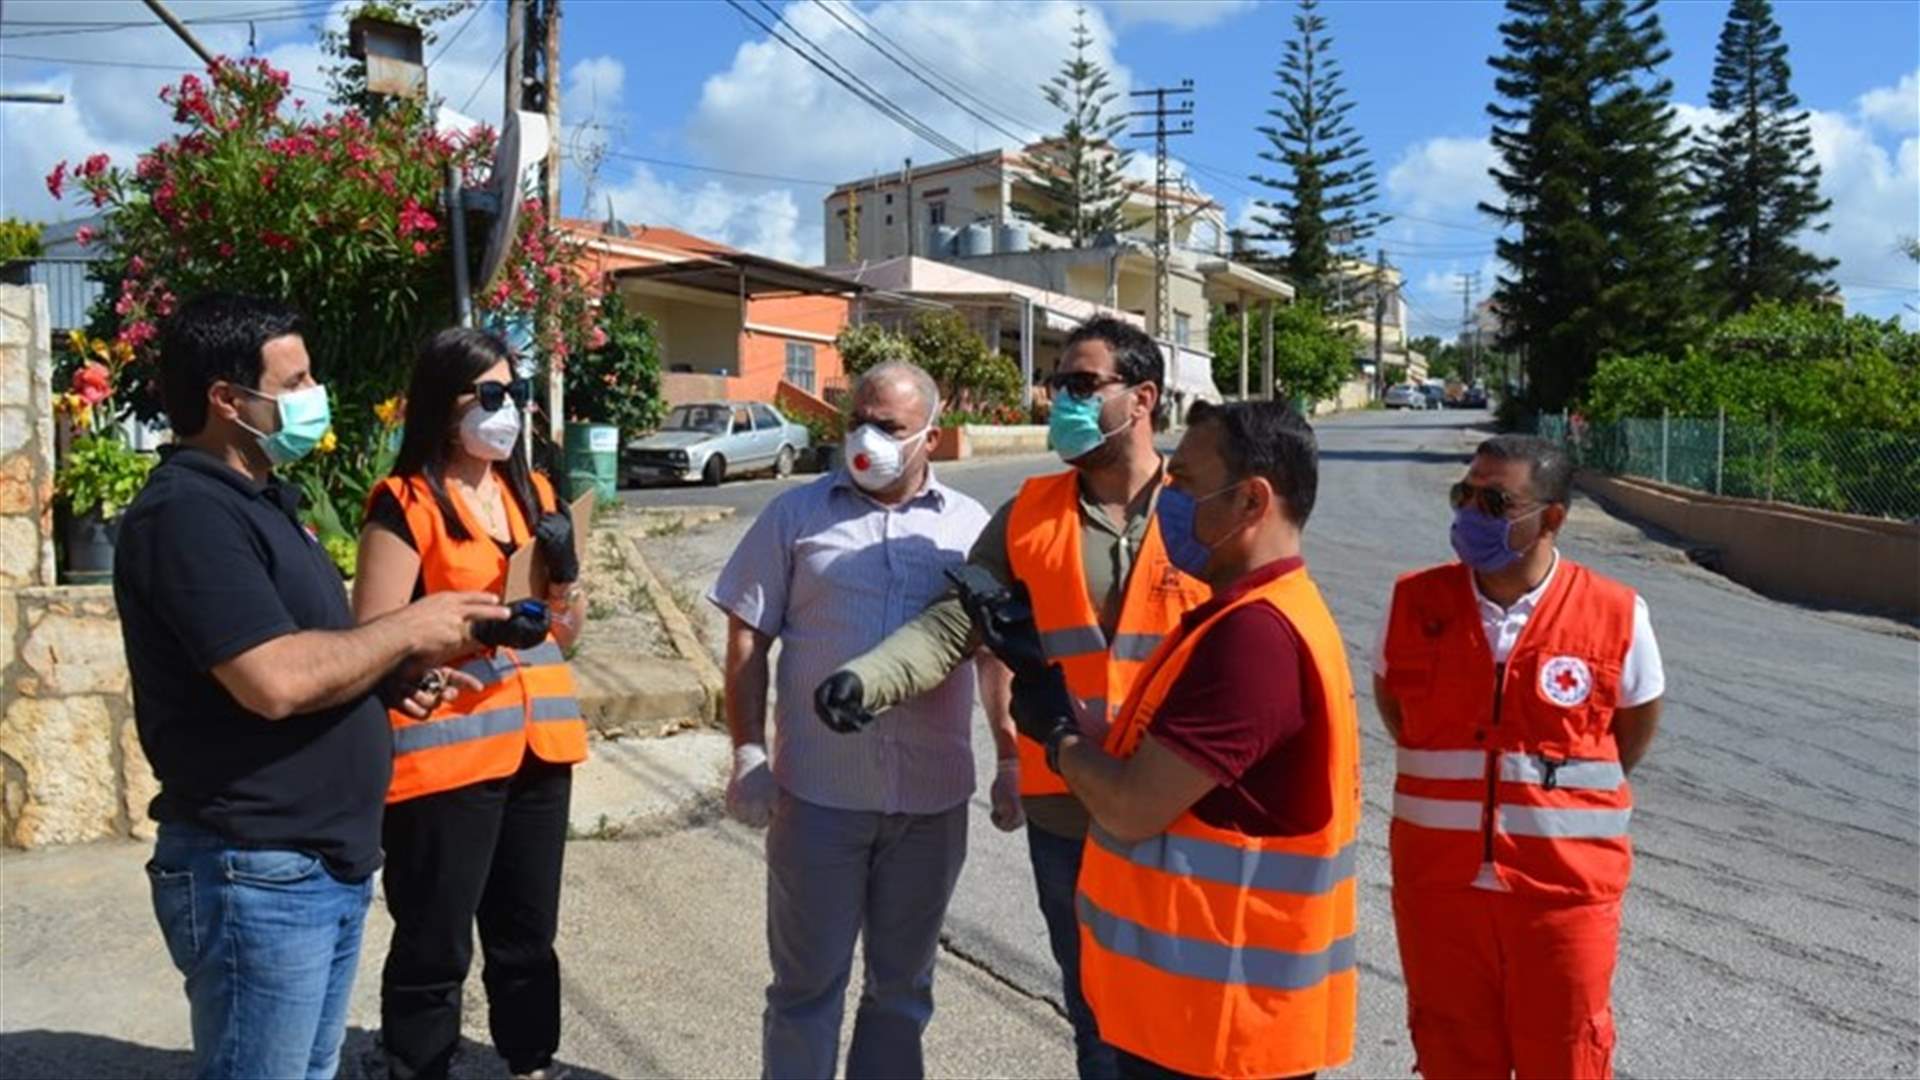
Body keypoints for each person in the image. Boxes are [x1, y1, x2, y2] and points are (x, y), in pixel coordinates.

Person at [117, 294, 507, 1080]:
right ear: (227, 400)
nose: (311, 394)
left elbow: (308, 653)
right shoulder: (188, 514)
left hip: (311, 866)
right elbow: (274, 681)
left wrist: (384, 683)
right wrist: (407, 628)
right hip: (256, 871)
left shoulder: (259, 504)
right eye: (292, 381)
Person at [814, 316, 1209, 1080]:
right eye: (1058, 382)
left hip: (1183, 805)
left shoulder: (1204, 508)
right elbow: (956, 622)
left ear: (1144, 397)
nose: (1061, 396)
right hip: (1069, 810)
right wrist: (870, 676)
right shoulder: (1029, 513)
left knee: (1185, 1016)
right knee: (1096, 1018)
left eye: (1083, 384)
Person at [996, 400, 1359, 1080]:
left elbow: (1134, 808)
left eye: (1186, 482)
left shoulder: (1255, 638)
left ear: (1252, 500)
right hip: (1195, 1020)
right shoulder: (1247, 615)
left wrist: (1057, 735)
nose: (1168, 496)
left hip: (1215, 1033)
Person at [710, 361, 993, 1080]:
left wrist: (1015, 760)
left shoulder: (971, 528)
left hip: (931, 802)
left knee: (902, 991)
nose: (868, 440)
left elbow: (996, 654)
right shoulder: (795, 516)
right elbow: (748, 633)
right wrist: (747, 753)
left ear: (932, 435)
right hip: (818, 799)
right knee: (806, 989)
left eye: (889, 427)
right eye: (856, 422)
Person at [1373, 434, 1666, 1080]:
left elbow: (1630, 733)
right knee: (1449, 1054)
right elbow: (1396, 711)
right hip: (1439, 893)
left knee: (1565, 1054)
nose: (1470, 512)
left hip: (1563, 895)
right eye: (1465, 494)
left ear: (1551, 518)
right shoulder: (1413, 603)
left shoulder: (1617, 613)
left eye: (1495, 500)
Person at [353, 328, 590, 1080]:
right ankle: (415, 1064)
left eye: (514, 394)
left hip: (539, 751)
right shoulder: (405, 502)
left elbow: (567, 636)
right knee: (435, 939)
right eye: (489, 395)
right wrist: (480, 632)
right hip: (445, 755)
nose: (508, 410)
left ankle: (530, 1064)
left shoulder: (535, 494)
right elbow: (374, 640)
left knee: (527, 936)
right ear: (441, 403)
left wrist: (567, 579)